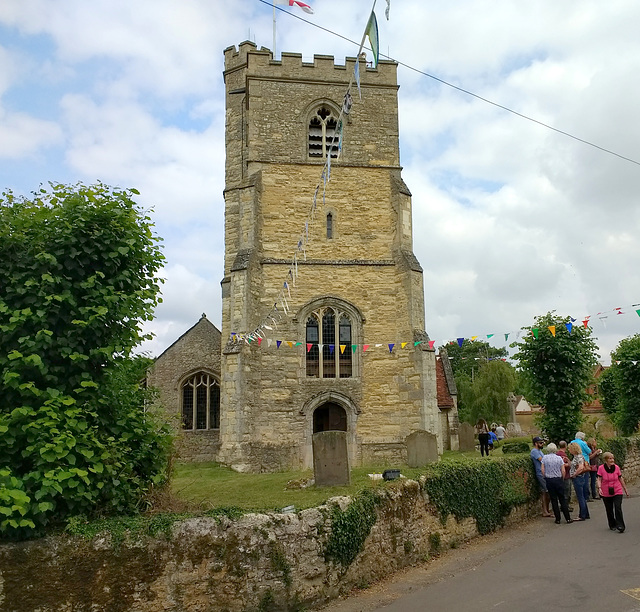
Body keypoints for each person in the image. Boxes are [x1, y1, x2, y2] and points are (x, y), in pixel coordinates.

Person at [597, 451, 629, 533]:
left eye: (613, 458)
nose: (612, 460)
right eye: (610, 458)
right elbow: (599, 479)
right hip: (606, 491)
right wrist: (599, 488)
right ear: (606, 460)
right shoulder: (601, 468)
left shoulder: (617, 468)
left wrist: (625, 489)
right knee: (609, 509)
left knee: (618, 507)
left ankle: (620, 525)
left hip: (617, 490)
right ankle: (612, 524)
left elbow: (620, 478)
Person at [541, 443, 573, 524]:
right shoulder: (559, 458)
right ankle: (568, 518)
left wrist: (545, 476)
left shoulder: (544, 458)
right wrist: (562, 478)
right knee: (562, 498)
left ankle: (557, 519)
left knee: (553, 499)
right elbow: (563, 470)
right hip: (558, 479)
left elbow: (542, 470)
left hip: (549, 480)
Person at [568, 441, 590, 521]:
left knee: (580, 496)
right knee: (582, 496)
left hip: (578, 478)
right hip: (580, 477)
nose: (569, 450)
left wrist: (574, 474)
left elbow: (580, 467)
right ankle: (586, 513)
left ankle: (582, 515)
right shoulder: (577, 457)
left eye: (570, 448)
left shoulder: (578, 457)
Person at [530, 436, 551, 517]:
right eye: (540, 443)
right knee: (546, 491)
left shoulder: (539, 451)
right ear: (536, 443)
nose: (542, 444)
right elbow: (542, 460)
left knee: (545, 492)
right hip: (540, 473)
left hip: (544, 473)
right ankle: (545, 511)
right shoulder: (534, 451)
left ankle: (546, 510)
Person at [556, 441, 574, 511]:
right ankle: (565, 506)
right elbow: (566, 465)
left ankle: (563, 506)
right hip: (566, 475)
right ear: (566, 446)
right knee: (567, 492)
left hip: (559, 475)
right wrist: (569, 463)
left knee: (562, 492)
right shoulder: (564, 455)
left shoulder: (557, 454)